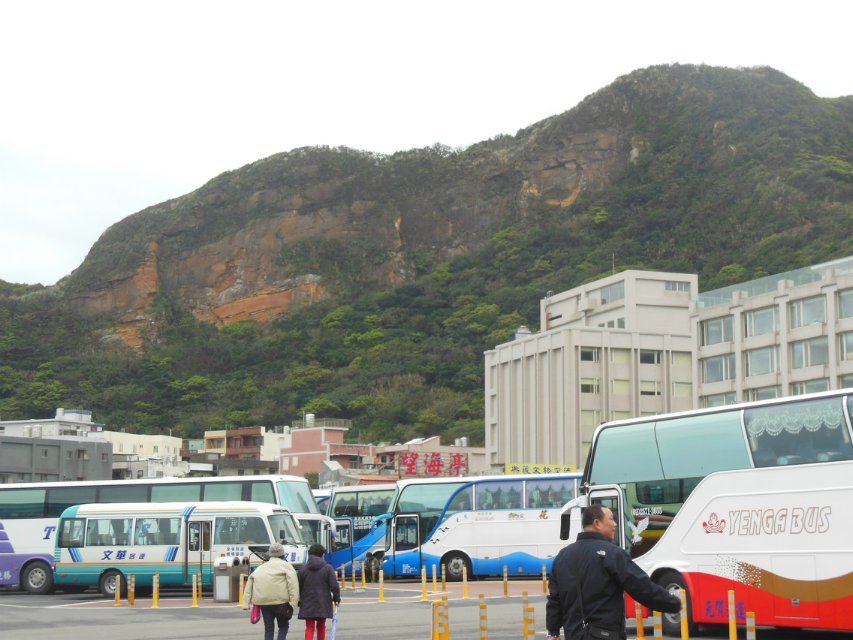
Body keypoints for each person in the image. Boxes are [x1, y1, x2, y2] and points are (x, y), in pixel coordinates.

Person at [546, 504, 680, 640]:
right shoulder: (612, 553)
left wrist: (553, 631)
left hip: (574, 635)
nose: (615, 524)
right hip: (606, 635)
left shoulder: (562, 556)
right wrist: (673, 603)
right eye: (611, 519)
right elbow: (641, 587)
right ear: (597, 523)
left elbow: (555, 599)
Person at [244, 542, 300, 640]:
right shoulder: (286, 566)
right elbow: (293, 583)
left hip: (264, 602)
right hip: (281, 602)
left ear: (270, 554)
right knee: (283, 626)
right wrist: (294, 600)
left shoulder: (261, 568)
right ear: (282, 554)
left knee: (268, 628)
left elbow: (250, 582)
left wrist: (246, 603)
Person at [297, 544, 340, 640]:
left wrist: (300, 600)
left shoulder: (303, 569)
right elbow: (334, 586)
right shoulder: (328, 568)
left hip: (307, 601)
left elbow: (299, 586)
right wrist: (336, 598)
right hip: (323, 601)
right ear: (322, 555)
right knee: (321, 626)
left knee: (309, 626)